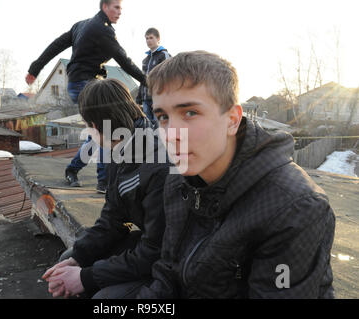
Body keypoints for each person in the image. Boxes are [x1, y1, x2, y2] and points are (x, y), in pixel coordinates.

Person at [137, 51, 336, 299]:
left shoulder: (295, 208)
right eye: (163, 117)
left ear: (232, 119)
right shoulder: (179, 181)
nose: (170, 134)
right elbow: (167, 273)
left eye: (190, 113)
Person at [42, 79, 171, 299]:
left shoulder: (159, 165)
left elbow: (156, 251)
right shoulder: (121, 151)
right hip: (148, 245)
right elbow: (112, 219)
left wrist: (86, 277)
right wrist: (80, 258)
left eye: (87, 125)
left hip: (168, 260)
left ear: (97, 125)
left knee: (104, 298)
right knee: (69, 257)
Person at [25, 0, 145, 193]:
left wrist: (35, 68)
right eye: (116, 7)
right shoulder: (103, 31)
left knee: (98, 135)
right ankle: (104, 182)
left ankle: (72, 170)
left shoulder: (81, 25)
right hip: (87, 86)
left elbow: (55, 45)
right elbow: (124, 60)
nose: (120, 12)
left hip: (77, 85)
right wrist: (146, 80)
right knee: (108, 129)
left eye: (121, 8)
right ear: (104, 7)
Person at [136, 28, 171, 126]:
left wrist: (159, 97)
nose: (148, 41)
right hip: (145, 99)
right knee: (148, 128)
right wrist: (138, 100)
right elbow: (141, 80)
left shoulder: (164, 55)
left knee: (160, 125)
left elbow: (167, 79)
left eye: (151, 38)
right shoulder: (145, 60)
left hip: (157, 98)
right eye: (146, 38)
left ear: (158, 38)